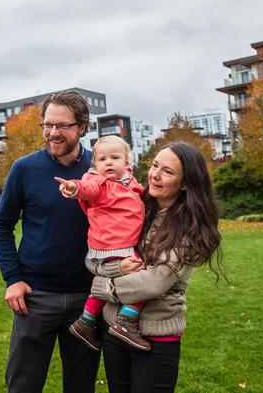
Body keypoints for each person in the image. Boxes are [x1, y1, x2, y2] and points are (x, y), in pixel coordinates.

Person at [88, 142, 223, 393]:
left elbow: (154, 283)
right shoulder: (135, 208)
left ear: (184, 183)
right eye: (154, 166)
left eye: (167, 172)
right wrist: (111, 269)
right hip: (113, 330)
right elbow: (103, 255)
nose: (155, 175)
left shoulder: (190, 228)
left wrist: (104, 286)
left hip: (156, 336)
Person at [0, 90, 100, 393]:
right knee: (23, 385)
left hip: (88, 298)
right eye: (48, 125)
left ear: (81, 127)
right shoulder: (25, 169)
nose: (53, 133)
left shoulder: (100, 169)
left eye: (63, 125)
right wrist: (13, 279)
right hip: (35, 298)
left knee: (81, 386)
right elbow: (1, 225)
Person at [54, 135, 151, 352]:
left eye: (115, 158)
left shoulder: (130, 184)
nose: (108, 163)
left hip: (115, 243)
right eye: (102, 159)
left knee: (108, 280)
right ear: (95, 164)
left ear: (127, 163)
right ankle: (127, 320)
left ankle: (86, 320)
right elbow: (88, 188)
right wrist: (73, 188)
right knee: (141, 277)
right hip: (112, 244)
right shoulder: (101, 182)